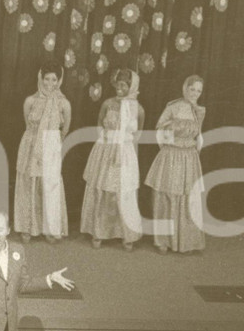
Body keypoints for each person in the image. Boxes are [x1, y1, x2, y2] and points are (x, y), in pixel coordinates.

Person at [80, 68, 145, 250]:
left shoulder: (138, 109)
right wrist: (106, 141)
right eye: (118, 83)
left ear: (132, 87)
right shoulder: (107, 103)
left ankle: (127, 234)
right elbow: (100, 122)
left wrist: (123, 146)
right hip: (105, 149)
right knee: (102, 188)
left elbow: (138, 133)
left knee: (122, 191)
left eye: (124, 84)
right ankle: (99, 231)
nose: (120, 87)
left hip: (124, 152)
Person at [145, 74, 206, 253]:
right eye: (192, 89)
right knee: (168, 195)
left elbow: (199, 135)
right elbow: (159, 132)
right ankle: (164, 241)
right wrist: (173, 145)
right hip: (171, 156)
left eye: (198, 90)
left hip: (190, 157)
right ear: (184, 88)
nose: (194, 93)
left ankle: (187, 240)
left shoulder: (200, 111)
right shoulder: (173, 107)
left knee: (188, 197)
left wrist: (194, 151)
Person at [13, 63, 72, 243]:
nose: (49, 83)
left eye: (54, 80)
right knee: (29, 182)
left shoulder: (63, 103)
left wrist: (52, 143)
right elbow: (27, 124)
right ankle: (27, 226)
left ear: (59, 81)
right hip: (31, 143)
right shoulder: (30, 101)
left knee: (50, 183)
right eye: (46, 79)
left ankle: (50, 227)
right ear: (41, 78)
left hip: (51, 144)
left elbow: (65, 129)